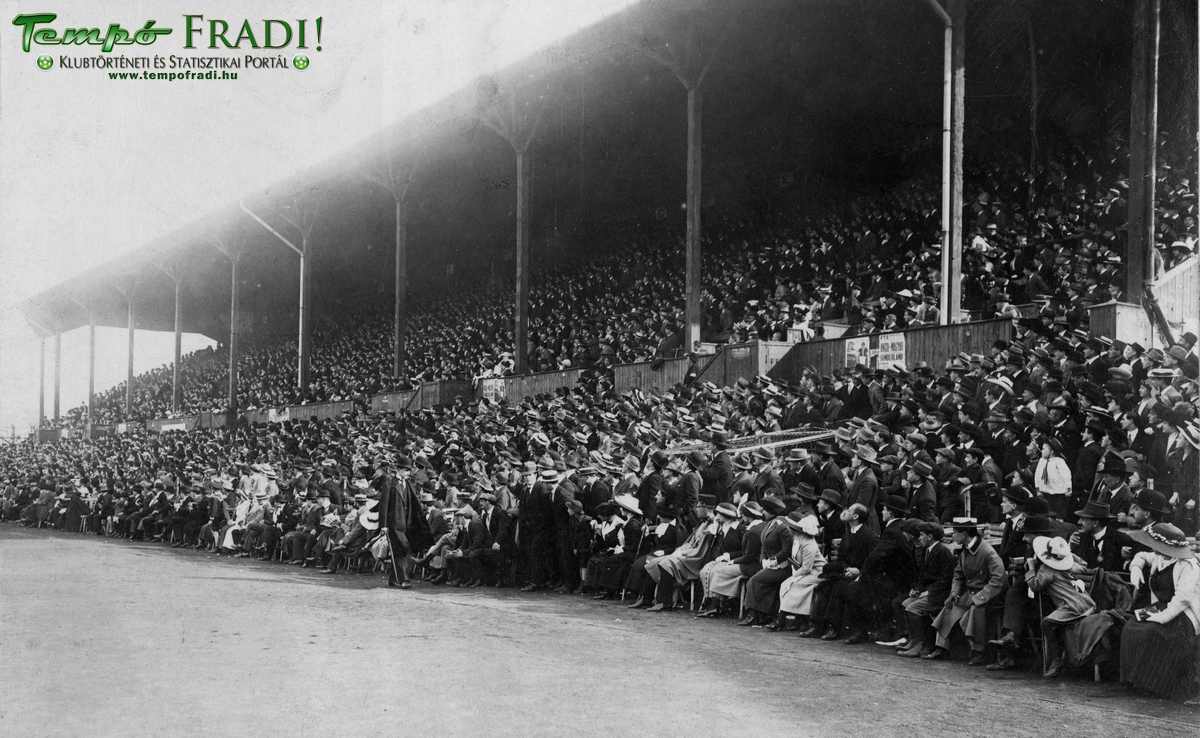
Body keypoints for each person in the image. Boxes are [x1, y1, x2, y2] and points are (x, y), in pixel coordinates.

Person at [1119, 523, 1200, 701]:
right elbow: (1141, 556)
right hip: (1159, 607)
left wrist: (1162, 618)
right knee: (1131, 627)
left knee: (1152, 632)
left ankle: (1154, 685)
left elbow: (1183, 598)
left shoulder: (1188, 565)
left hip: (1182, 615)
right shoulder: (1159, 557)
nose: (1154, 549)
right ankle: (1134, 680)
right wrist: (1135, 568)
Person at [926, 518, 1006, 664]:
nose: (953, 536)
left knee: (975, 611)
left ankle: (978, 651)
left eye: (955, 533)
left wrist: (981, 597)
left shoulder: (987, 551)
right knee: (949, 606)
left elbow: (998, 578)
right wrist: (954, 593)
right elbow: (958, 574)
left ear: (964, 534)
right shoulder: (965, 550)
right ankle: (942, 647)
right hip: (968, 593)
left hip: (987, 595)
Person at [1025, 536, 1097, 677]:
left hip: (1073, 607)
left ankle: (1057, 659)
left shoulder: (1047, 570)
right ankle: (1060, 656)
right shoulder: (1071, 565)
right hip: (1087, 602)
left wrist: (1031, 568)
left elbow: (1035, 585)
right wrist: (1069, 555)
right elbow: (1084, 564)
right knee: (1055, 622)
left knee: (1047, 623)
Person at [896, 520, 956, 657]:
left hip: (940, 594)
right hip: (930, 591)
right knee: (905, 603)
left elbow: (946, 579)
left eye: (922, 535)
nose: (919, 538)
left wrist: (928, 592)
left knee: (913, 608)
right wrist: (917, 589)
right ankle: (914, 640)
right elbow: (923, 575)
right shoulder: (927, 550)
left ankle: (921, 643)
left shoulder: (942, 552)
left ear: (930, 537)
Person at [771, 512, 825, 631]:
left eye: (791, 527)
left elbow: (807, 567)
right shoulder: (798, 539)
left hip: (818, 573)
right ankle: (793, 619)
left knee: (792, 585)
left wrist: (794, 576)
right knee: (785, 585)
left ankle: (783, 619)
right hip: (806, 572)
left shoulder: (809, 544)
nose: (788, 529)